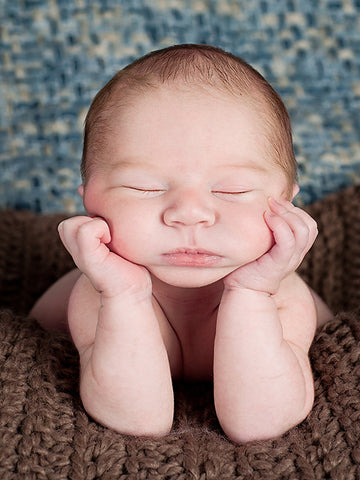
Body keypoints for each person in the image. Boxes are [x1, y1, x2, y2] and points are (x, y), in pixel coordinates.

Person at [30, 44, 333, 444]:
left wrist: (251, 292)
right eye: (145, 187)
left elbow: (259, 425)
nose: (190, 214)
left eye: (232, 190)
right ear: (89, 199)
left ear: (288, 202)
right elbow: (139, 421)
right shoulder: (98, 297)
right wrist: (124, 294)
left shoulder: (284, 300)